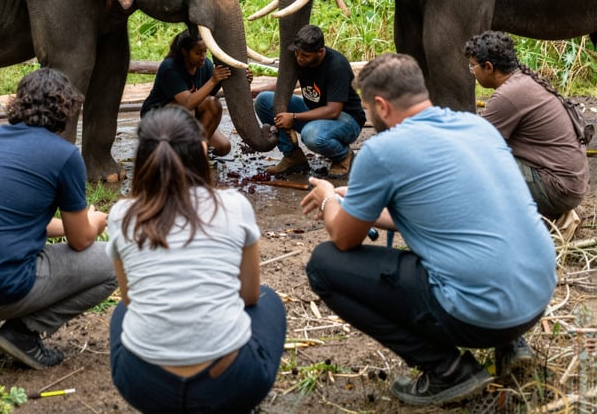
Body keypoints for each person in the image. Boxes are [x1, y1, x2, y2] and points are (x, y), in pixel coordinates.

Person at [300, 53, 556, 406]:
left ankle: (447, 370)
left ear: (381, 106)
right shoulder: (477, 127)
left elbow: (344, 239)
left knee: (323, 265)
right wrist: (362, 207)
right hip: (536, 298)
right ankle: (511, 345)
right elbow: (444, 214)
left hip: (480, 316)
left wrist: (329, 197)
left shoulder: (382, 150)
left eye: (369, 111)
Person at [0, 68, 117, 369]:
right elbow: (81, 241)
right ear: (66, 108)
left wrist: (74, 224)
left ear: (19, 103)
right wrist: (93, 221)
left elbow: (14, 218)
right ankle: (23, 333)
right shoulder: (65, 154)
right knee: (113, 262)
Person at [107, 105, 286, 414]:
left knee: (122, 313)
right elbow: (249, 296)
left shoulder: (122, 215)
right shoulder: (233, 205)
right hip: (230, 383)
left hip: (144, 386)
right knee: (269, 300)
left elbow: (130, 298)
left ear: (143, 158)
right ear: (202, 150)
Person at [464, 30, 589, 219]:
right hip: (571, 184)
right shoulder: (523, 81)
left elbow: (475, 146)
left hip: (559, 190)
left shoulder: (507, 96)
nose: (473, 72)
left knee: (477, 164)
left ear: (488, 67)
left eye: (472, 67)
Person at [254, 24, 365, 177]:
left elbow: (333, 111)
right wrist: (259, 90)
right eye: (297, 53)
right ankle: (293, 157)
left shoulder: (336, 66)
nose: (300, 58)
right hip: (315, 111)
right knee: (264, 100)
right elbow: (287, 83)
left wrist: (293, 117)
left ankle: (344, 156)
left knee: (311, 136)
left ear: (320, 52)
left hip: (346, 120)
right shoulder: (300, 59)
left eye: (305, 55)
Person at [140, 29, 233, 156]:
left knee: (223, 146)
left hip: (187, 117)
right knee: (188, 110)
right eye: (198, 53)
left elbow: (209, 95)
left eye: (205, 51)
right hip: (157, 119)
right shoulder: (170, 68)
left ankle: (196, 150)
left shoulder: (204, 65)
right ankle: (180, 152)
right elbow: (187, 103)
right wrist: (213, 80)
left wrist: (240, 79)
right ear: (184, 52)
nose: (203, 57)